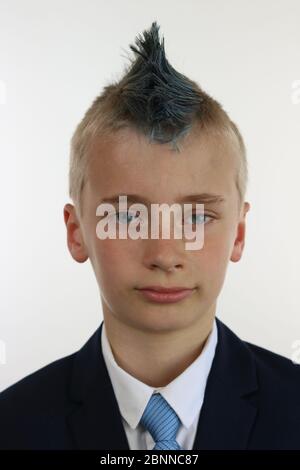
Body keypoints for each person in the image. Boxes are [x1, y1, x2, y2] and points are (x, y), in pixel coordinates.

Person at [0, 21, 299, 451]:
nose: (164, 254)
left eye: (196, 216)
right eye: (127, 217)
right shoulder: (12, 428)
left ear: (239, 233)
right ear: (76, 232)